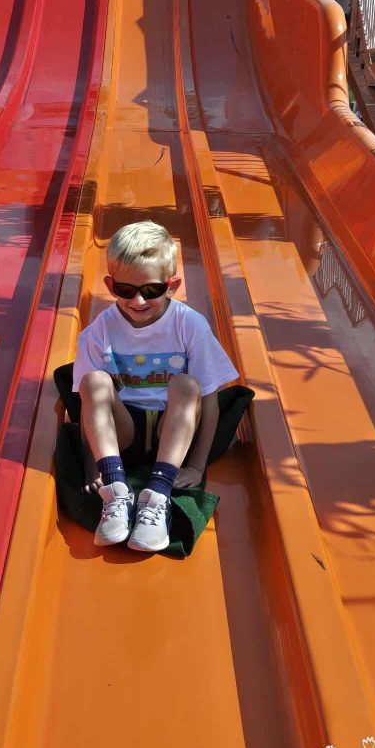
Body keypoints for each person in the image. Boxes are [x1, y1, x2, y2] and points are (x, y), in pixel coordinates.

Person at [72, 220, 239, 552]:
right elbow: (88, 405)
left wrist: (196, 466)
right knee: (94, 381)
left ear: (171, 285)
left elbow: (209, 398)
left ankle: (158, 493)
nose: (138, 300)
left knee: (187, 384)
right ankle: (115, 489)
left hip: (173, 431)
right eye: (125, 290)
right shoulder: (100, 330)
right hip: (123, 433)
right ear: (110, 285)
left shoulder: (189, 324)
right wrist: (93, 468)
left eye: (150, 291)